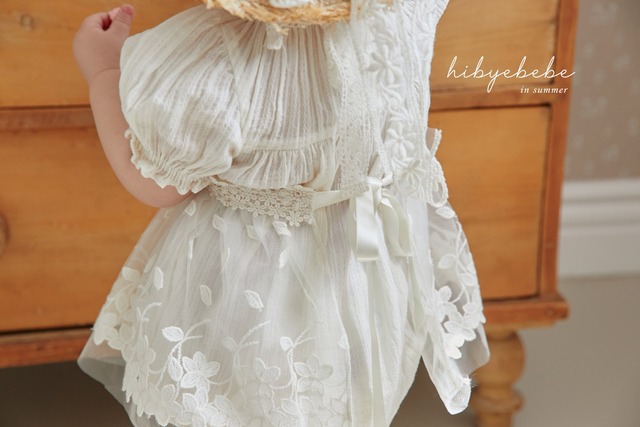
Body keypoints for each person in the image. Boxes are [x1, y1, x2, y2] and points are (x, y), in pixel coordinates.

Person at [73, 1, 490, 426]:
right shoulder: (405, 12)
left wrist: (104, 70)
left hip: (252, 293)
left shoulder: (216, 50)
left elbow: (155, 182)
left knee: (243, 404)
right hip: (369, 279)